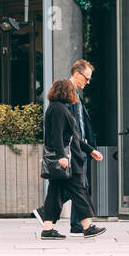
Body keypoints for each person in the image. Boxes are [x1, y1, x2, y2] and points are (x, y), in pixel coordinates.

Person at [36, 78, 105, 239]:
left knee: (54, 194)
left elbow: (74, 137)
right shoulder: (59, 110)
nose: (75, 94)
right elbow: (57, 136)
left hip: (66, 159)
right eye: (73, 91)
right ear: (67, 92)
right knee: (79, 191)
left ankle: (47, 229)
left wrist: (90, 150)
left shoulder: (58, 108)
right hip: (67, 160)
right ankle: (87, 226)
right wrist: (62, 157)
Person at [67, 59, 99, 233]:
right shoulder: (66, 93)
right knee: (78, 185)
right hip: (75, 147)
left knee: (79, 184)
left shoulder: (76, 93)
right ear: (77, 74)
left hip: (81, 146)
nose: (87, 82)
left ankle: (77, 223)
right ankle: (46, 213)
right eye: (86, 78)